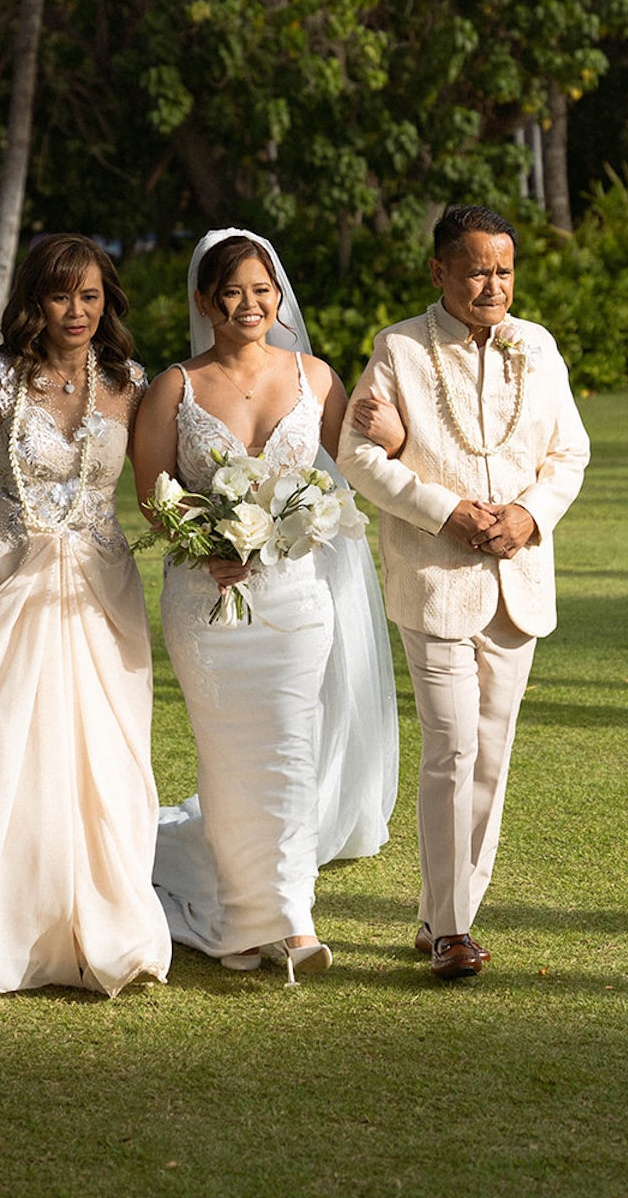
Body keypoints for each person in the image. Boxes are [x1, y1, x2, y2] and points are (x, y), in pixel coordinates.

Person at [132, 229, 399, 984]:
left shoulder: (314, 376)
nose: (249, 305)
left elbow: (354, 465)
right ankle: (238, 917)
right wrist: (202, 538)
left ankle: (288, 919)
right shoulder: (174, 388)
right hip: (205, 602)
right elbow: (154, 496)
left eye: (262, 290)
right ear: (204, 301)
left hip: (294, 600)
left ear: (279, 297)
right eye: (232, 292)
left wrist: (397, 433)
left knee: (289, 753)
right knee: (227, 761)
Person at [339, 205, 589, 981]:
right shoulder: (399, 349)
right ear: (440, 272)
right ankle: (450, 931)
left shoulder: (538, 346)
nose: (493, 285)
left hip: (518, 582)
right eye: (478, 269)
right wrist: (444, 512)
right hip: (434, 580)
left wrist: (529, 516)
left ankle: (445, 915)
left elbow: (569, 453)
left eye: (504, 270)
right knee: (450, 745)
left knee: (491, 752)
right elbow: (356, 455)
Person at [0, 233, 171, 997]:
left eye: (91, 296)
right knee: (11, 762)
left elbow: (157, 495)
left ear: (107, 301)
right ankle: (9, 931)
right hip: (5, 582)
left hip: (100, 594)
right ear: (35, 300)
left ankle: (106, 924)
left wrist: (224, 534)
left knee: (105, 760)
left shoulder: (130, 382)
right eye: (62, 295)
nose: (77, 311)